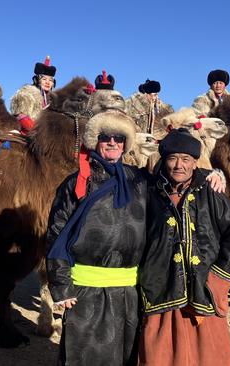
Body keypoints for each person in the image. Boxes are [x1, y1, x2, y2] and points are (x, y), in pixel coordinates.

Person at [138, 128, 230, 366]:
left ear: (195, 162)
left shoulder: (210, 191)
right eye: (172, 158)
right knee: (159, 356)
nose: (179, 165)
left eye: (186, 159)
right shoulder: (148, 191)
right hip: (162, 289)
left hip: (203, 290)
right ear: (163, 160)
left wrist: (218, 280)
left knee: (208, 356)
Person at [46, 110, 146, 366]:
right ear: (95, 140)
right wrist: (61, 285)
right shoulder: (76, 183)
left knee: (125, 358)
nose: (113, 142)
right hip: (85, 290)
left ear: (126, 143)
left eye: (119, 137)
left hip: (128, 291)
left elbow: (175, 180)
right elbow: (57, 234)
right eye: (105, 136)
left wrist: (208, 175)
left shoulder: (140, 181)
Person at [10, 55, 57, 133]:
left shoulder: (54, 100)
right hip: (28, 133)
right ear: (37, 80)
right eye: (44, 79)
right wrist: (37, 132)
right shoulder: (26, 94)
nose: (48, 82)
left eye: (50, 80)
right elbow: (21, 116)